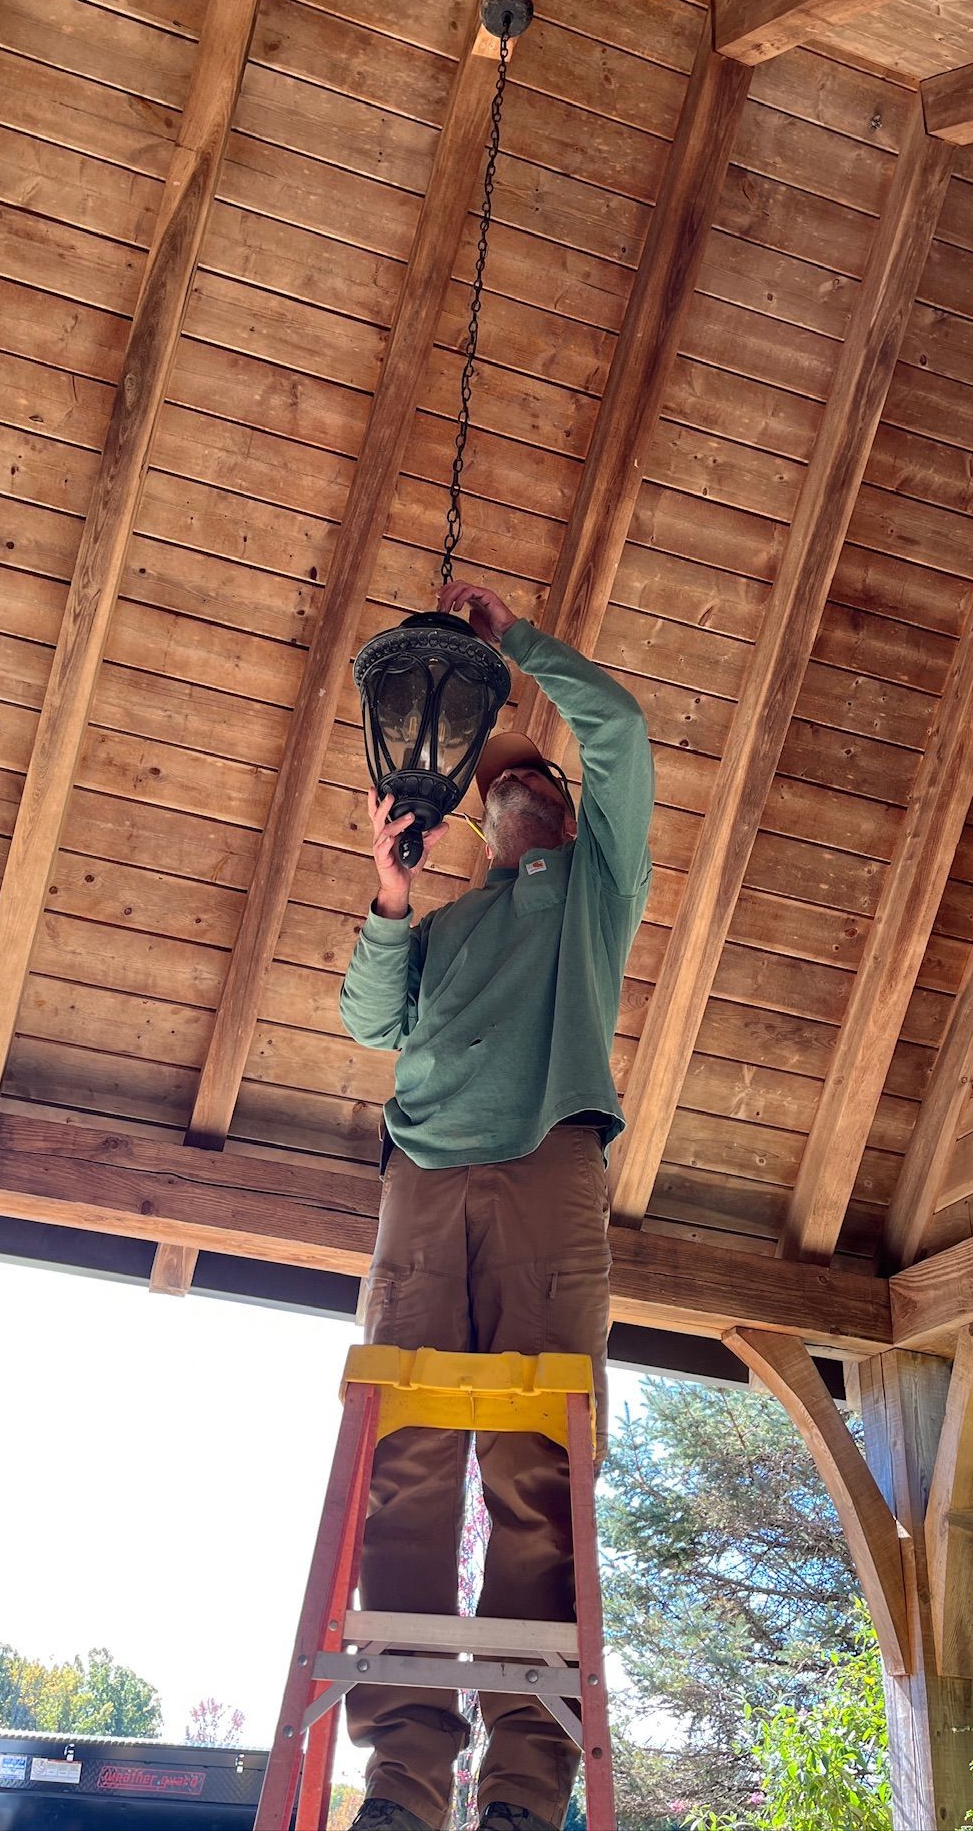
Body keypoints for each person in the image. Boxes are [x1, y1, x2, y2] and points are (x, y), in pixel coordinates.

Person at [338, 578, 655, 1831]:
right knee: (407, 1468)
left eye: (536, 775)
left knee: (539, 1471)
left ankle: (525, 1790)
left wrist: (511, 647)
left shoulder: (594, 895)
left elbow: (621, 728)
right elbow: (370, 1020)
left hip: (548, 1171)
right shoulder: (449, 921)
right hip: (419, 1182)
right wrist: (389, 893)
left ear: (566, 814)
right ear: (480, 821)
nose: (516, 783)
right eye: (500, 780)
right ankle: (404, 1787)